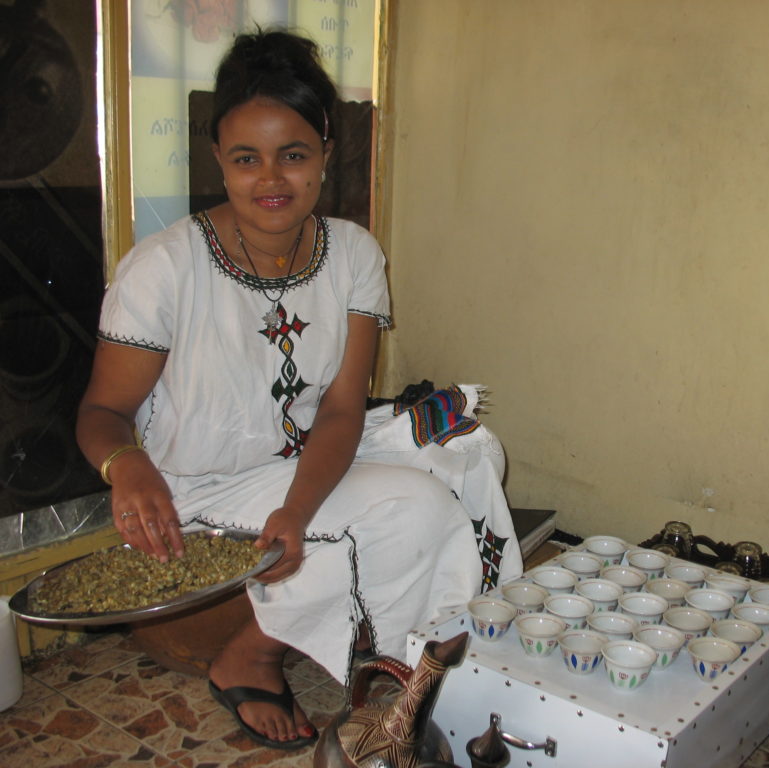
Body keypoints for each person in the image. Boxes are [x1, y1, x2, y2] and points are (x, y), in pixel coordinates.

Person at [76, 29, 489, 751]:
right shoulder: (164, 269)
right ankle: (255, 651)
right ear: (220, 161)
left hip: (303, 473)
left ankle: (402, 644)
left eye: (292, 155)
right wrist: (127, 467)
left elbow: (339, 410)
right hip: (197, 491)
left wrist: (296, 509)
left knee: (467, 464)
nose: (271, 179)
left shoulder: (354, 252)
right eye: (246, 159)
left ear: (326, 148)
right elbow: (102, 412)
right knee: (403, 517)